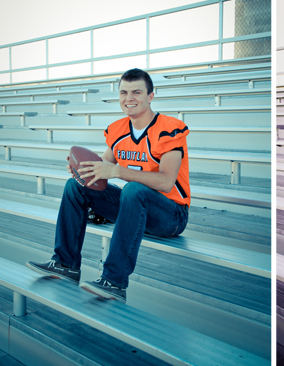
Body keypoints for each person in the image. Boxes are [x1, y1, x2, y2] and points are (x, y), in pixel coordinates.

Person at [27, 68, 190, 302]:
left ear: (150, 96)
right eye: (123, 92)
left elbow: (166, 182)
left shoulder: (169, 128)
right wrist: (82, 170)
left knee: (134, 190)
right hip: (133, 207)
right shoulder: (118, 129)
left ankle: (114, 281)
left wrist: (117, 171)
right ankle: (65, 263)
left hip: (171, 215)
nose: (129, 98)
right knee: (75, 186)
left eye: (136, 92)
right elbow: (101, 169)